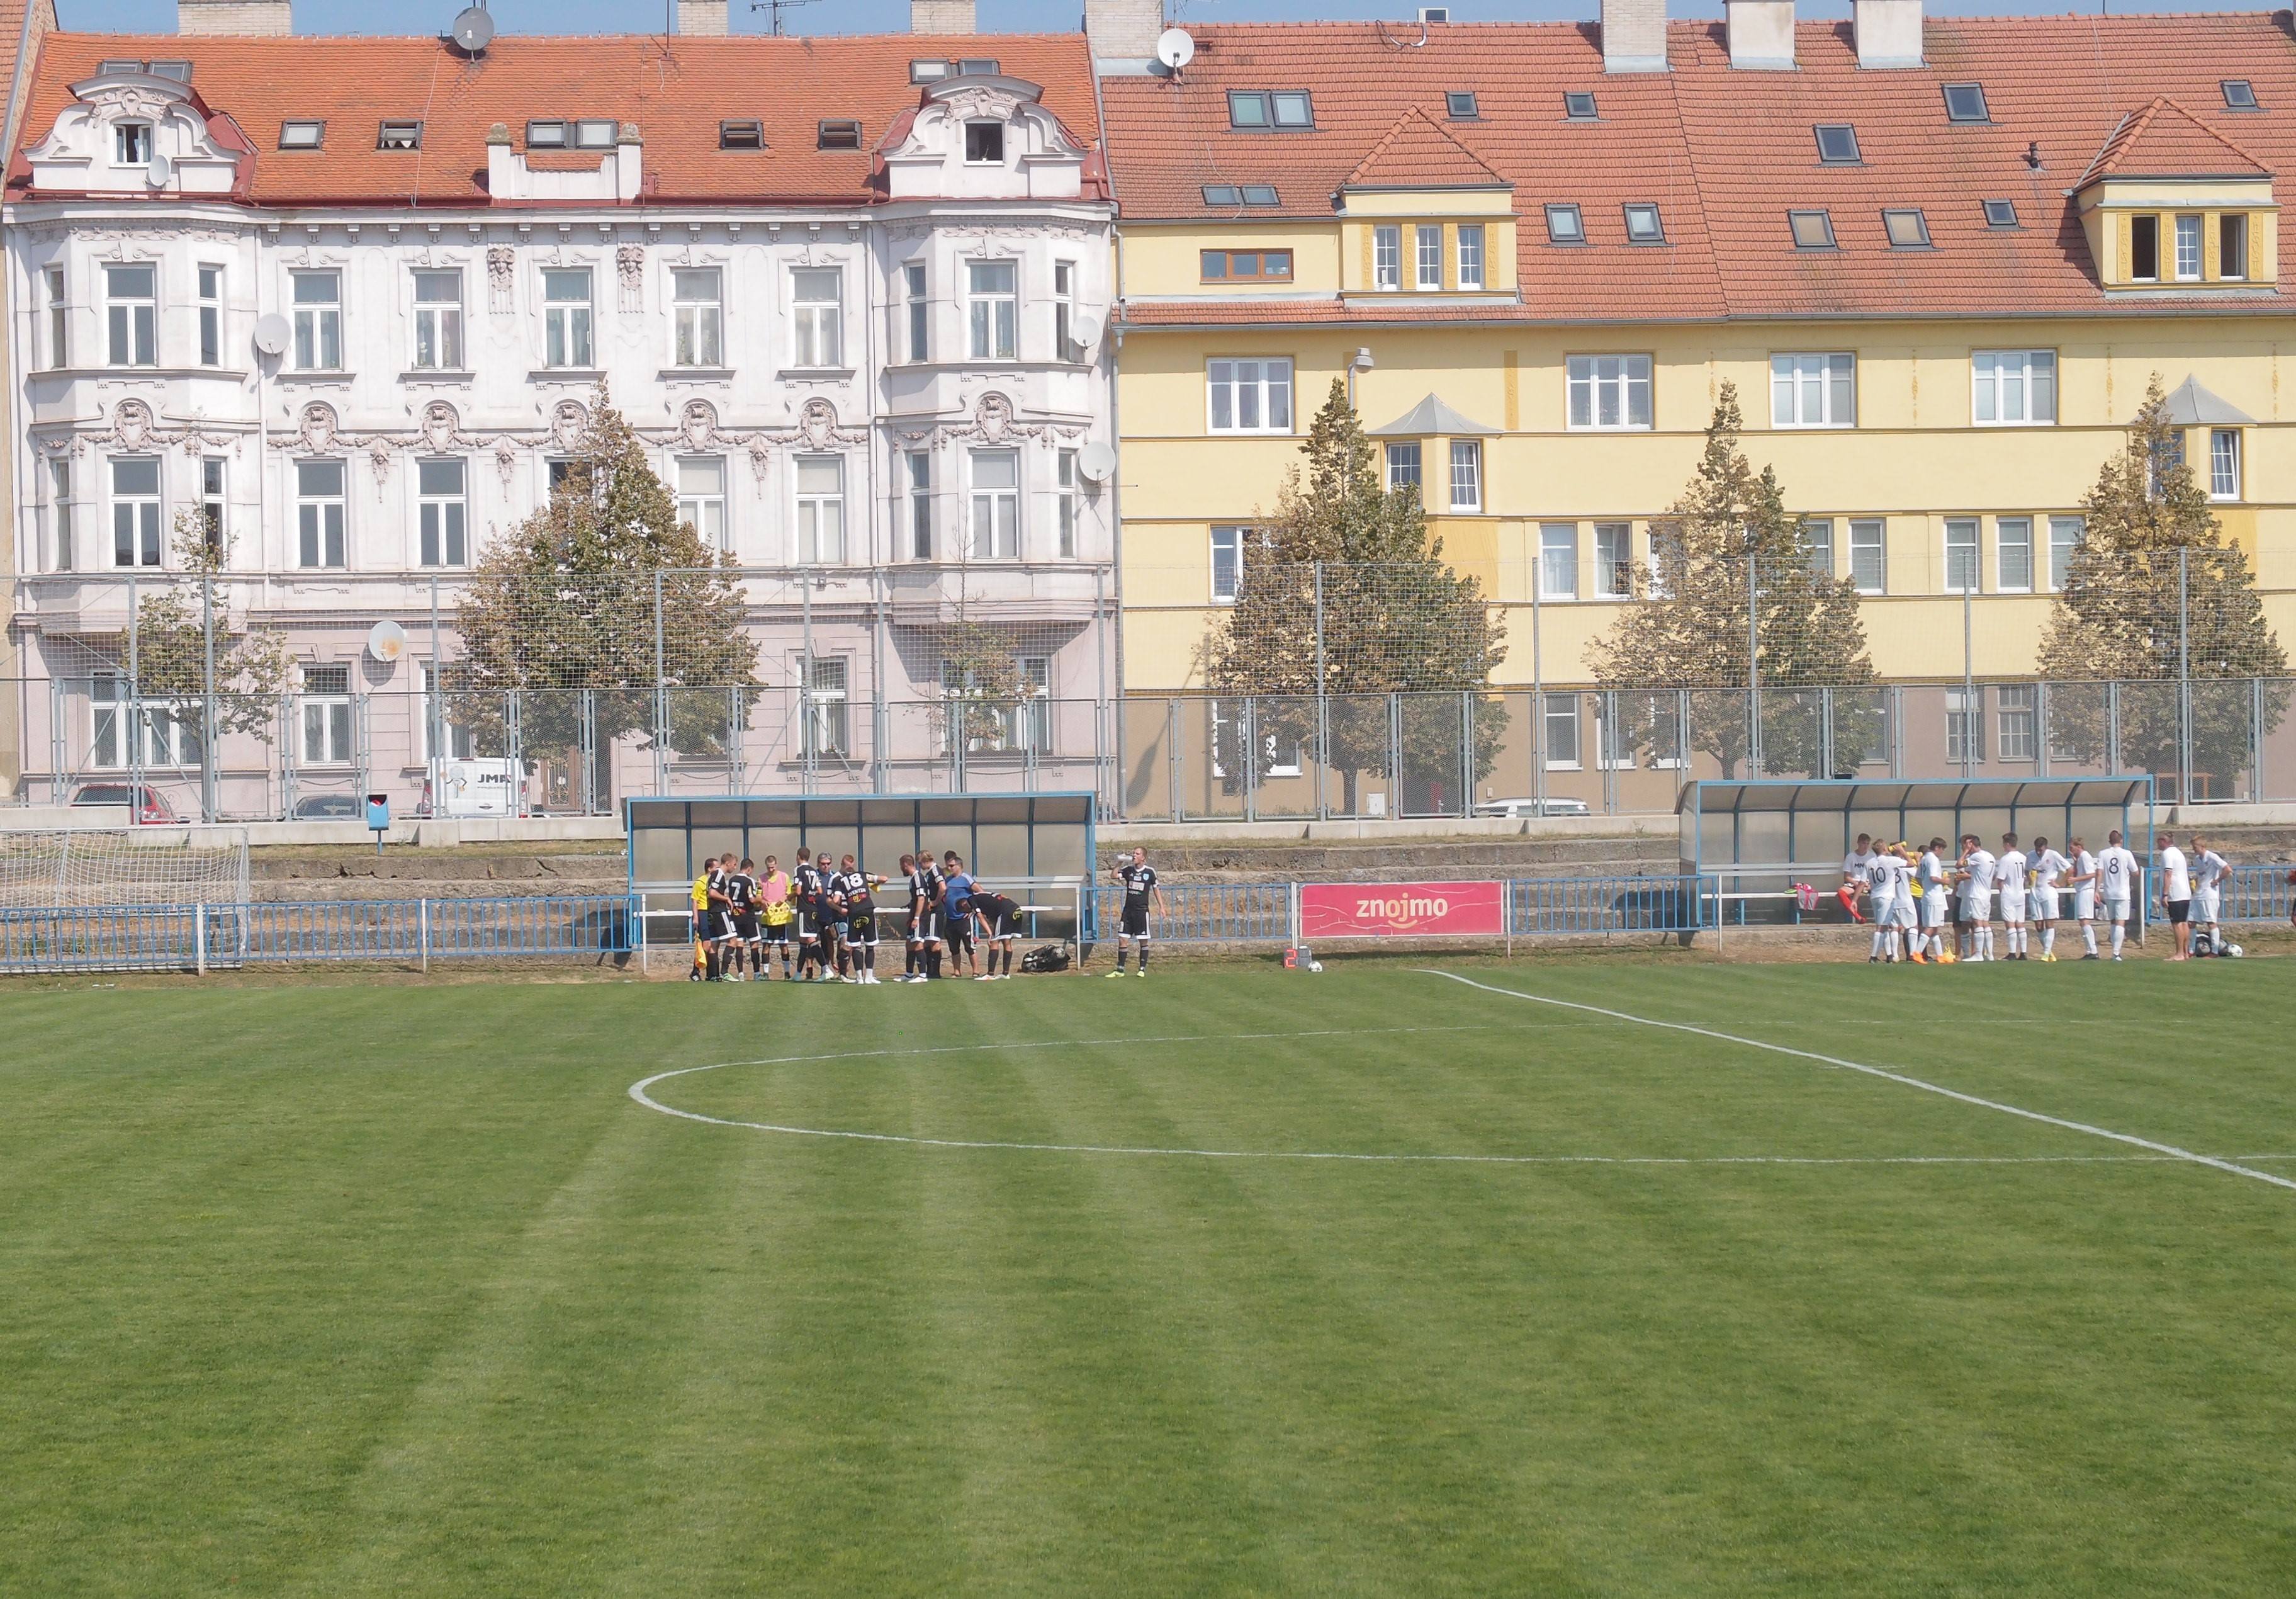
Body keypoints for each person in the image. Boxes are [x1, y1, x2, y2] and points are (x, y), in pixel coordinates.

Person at [1109, 847, 1167, 976]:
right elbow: (1113, 876)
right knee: (1122, 939)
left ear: (1143, 858)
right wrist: (1119, 862)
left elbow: (1156, 889)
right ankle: (1120, 969)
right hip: (1128, 912)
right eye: (1133, 853)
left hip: (1141, 912)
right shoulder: (1129, 871)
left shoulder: (1150, 872)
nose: (1134, 856)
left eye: (1137, 854)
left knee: (1143, 940)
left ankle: (1142, 969)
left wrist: (1161, 907)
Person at [832, 854, 886, 985]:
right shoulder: (863, 875)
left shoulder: (841, 881)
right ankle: (869, 977)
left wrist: (832, 903)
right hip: (867, 910)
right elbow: (885, 879)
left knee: (855, 946)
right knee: (870, 945)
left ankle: (859, 978)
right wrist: (873, 883)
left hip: (854, 912)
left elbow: (836, 900)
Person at [2097, 829, 2140, 961]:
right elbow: (2136, 872)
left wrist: (2097, 890)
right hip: (2123, 892)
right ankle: (2116, 952)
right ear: (2121, 841)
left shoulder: (2103, 854)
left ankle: (2114, 948)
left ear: (2110, 841)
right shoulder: (2127, 854)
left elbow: (2099, 872)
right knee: (2121, 921)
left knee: (2113, 921)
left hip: (2110, 892)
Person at [968, 883, 1023, 980]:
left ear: (964, 904)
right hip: (1016, 909)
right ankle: (1005, 974)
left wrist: (990, 935)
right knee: (1007, 941)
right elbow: (995, 922)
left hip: (1006, 911)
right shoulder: (988, 901)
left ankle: (990, 974)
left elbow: (980, 917)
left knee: (994, 942)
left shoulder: (971, 899)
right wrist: (992, 933)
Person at [1959, 833, 1998, 963]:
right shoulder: (1990, 856)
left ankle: (1978, 954)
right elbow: (1993, 876)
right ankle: (1990, 954)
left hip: (1977, 894)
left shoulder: (1976, 856)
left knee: (1977, 922)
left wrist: (1965, 852)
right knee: (1985, 923)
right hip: (1987, 893)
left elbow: (1959, 864)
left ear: (1971, 845)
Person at [2030, 836, 2069, 962]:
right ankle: (2049, 951)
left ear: (2045, 848)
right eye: (2037, 850)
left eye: (2041, 850)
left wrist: (2060, 884)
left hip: (2049, 893)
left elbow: (2070, 869)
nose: (2038, 852)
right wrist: (2029, 878)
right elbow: (2027, 871)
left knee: (2049, 923)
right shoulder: (2030, 856)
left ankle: (2046, 953)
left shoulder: (2053, 855)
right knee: (2039, 925)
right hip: (2035, 892)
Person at [940, 852, 979, 980]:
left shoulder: (966, 879)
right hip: (951, 919)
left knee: (969, 946)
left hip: (963, 920)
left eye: (952, 866)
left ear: (959, 866)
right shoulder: (948, 880)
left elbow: (981, 893)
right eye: (948, 866)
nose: (949, 868)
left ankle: (976, 971)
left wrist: (973, 910)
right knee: (954, 948)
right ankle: (957, 971)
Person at [899, 852, 937, 984]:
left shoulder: (918, 878)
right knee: (909, 944)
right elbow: (915, 900)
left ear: (905, 865)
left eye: (901, 866)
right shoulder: (913, 879)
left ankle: (922, 975)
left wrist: (916, 918)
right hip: (915, 917)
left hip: (921, 918)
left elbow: (922, 898)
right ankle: (909, 974)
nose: (901, 869)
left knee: (918, 944)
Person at [1863, 845, 1904, 963]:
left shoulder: (1869, 862)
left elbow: (1862, 881)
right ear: (1885, 849)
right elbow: (1910, 864)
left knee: (1884, 926)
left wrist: (1855, 900)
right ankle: (1873, 956)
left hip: (1875, 896)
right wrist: (1902, 851)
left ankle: (1889, 955)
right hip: (1887, 897)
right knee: (1881, 927)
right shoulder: (1891, 860)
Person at [2190, 835, 2229, 956]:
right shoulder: (2197, 859)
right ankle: (2191, 950)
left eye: (2195, 847)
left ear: (2202, 846)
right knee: (2191, 922)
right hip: (2198, 894)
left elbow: (2227, 869)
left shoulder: (2212, 857)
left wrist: (2217, 880)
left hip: (2209, 894)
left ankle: (2215, 951)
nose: (2193, 849)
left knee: (2211, 922)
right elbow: (2200, 875)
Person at [791, 851, 826, 980]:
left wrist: (788, 897)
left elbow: (798, 891)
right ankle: (799, 974)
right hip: (813, 908)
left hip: (804, 909)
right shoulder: (813, 871)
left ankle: (825, 969)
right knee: (803, 941)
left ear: (798, 857)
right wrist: (811, 896)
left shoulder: (798, 870)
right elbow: (820, 891)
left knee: (810, 939)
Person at [2158, 830, 2193, 961]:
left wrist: (2165, 894)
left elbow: (2168, 874)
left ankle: (2179, 953)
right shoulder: (2179, 852)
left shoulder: (2167, 854)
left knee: (2177, 923)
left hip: (2176, 892)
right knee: (2184, 922)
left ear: (2164, 841)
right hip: (2185, 892)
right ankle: (2185, 952)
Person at [758, 854, 794, 979]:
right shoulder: (761, 879)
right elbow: (758, 897)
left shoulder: (784, 877)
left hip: (781, 917)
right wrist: (763, 902)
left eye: (773, 867)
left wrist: (785, 898)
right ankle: (766, 974)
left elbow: (790, 893)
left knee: (784, 945)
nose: (771, 870)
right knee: (766, 945)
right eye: (769, 868)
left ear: (776, 865)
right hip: (767, 917)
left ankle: (787, 973)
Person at [1918, 837, 1952, 964]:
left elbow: (1918, 877)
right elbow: (1933, 877)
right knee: (1931, 927)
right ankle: (1917, 952)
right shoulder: (1933, 859)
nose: (1941, 853)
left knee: (1935, 927)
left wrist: (1925, 887)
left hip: (1928, 896)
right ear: (1937, 848)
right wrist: (1945, 881)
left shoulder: (1924, 859)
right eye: (1942, 850)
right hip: (1934, 898)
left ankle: (1940, 955)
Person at [1996, 832, 2030, 961]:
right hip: (2021, 893)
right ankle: (2024, 952)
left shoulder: (2006, 859)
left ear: (2008, 844)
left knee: (2010, 924)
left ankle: (2012, 952)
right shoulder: (2023, 857)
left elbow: (2000, 879)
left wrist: (2002, 892)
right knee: (2020, 923)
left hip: (2009, 893)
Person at [2066, 836, 2102, 959]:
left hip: (2086, 890)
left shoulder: (2085, 856)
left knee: (2085, 920)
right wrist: (2075, 861)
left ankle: (2093, 951)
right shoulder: (2080, 858)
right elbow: (2078, 872)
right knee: (2082, 921)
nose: (2070, 850)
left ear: (2079, 847)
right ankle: (2089, 950)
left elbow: (2092, 874)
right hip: (2081, 890)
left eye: (2072, 848)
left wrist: (2075, 879)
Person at [1840, 832, 1874, 924]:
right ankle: (1858, 917)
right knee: (1841, 892)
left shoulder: (1872, 856)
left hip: (1868, 883)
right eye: (1864, 843)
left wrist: (1869, 884)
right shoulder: (1851, 856)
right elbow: (1847, 877)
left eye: (1868, 844)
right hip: (1855, 883)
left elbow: (1876, 874)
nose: (1866, 846)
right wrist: (1858, 885)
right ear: (1858, 843)